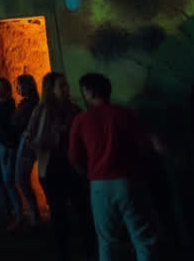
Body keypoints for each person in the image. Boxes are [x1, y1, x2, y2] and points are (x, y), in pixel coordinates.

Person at [68, 72, 162, 260]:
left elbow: (73, 156)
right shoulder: (125, 113)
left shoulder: (81, 119)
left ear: (89, 92)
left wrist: (87, 174)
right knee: (143, 238)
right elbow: (144, 143)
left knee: (107, 241)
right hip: (129, 181)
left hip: (99, 184)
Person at [27, 72, 92, 261]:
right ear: (51, 89)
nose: (66, 89)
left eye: (66, 85)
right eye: (61, 86)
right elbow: (31, 137)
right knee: (58, 212)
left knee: (82, 209)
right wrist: (56, 136)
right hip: (52, 167)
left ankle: (89, 249)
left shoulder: (74, 109)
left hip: (73, 166)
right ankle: (64, 252)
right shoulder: (42, 110)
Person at [10, 74, 42, 230]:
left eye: (19, 85)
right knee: (22, 179)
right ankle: (34, 214)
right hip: (28, 142)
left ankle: (34, 215)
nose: (17, 88)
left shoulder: (28, 104)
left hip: (27, 143)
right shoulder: (33, 103)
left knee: (21, 179)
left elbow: (17, 123)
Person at [0, 78, 21, 227]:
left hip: (7, 146)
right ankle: (9, 213)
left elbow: (10, 128)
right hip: (0, 145)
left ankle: (18, 213)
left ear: (6, 89)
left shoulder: (9, 106)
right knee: (4, 182)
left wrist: (7, 144)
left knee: (8, 181)